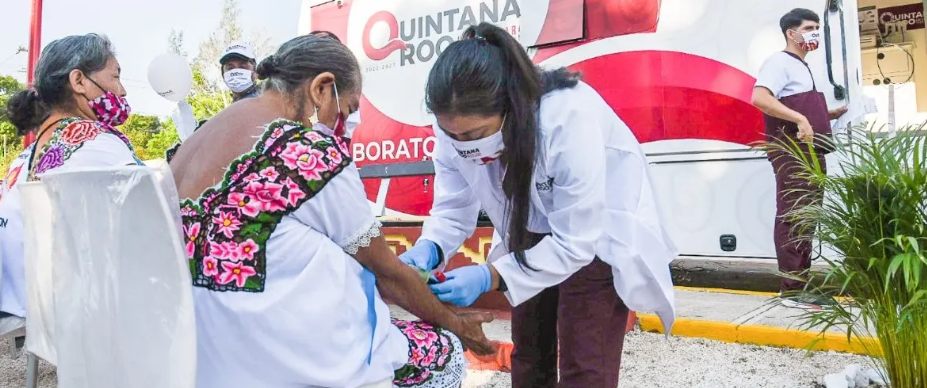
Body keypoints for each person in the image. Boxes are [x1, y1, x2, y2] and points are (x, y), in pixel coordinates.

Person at [169, 33, 493, 388]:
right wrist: (461, 328)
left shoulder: (192, 144)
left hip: (209, 357)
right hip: (290, 354)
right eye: (348, 109)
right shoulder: (306, 150)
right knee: (440, 352)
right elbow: (387, 273)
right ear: (322, 88)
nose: (346, 123)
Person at [398, 22, 678, 388]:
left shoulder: (565, 117)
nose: (463, 145)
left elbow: (575, 242)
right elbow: (453, 209)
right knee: (528, 352)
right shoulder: (452, 129)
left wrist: (491, 275)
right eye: (453, 135)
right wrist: (430, 249)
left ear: (511, 105)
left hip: (596, 236)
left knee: (585, 364)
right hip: (526, 230)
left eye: (474, 135)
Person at [0, 33, 142, 323]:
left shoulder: (24, 156)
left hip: (23, 297)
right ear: (79, 81)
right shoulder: (94, 139)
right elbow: (156, 214)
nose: (123, 90)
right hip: (71, 309)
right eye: (115, 77)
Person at [751, 8, 847, 310]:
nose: (814, 32)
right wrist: (801, 119)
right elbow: (760, 97)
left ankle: (801, 285)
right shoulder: (779, 62)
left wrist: (825, 114)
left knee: (807, 217)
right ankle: (792, 290)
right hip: (793, 152)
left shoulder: (803, 67)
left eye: (817, 27)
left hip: (811, 152)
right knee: (794, 215)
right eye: (809, 27)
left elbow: (796, 102)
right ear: (791, 34)